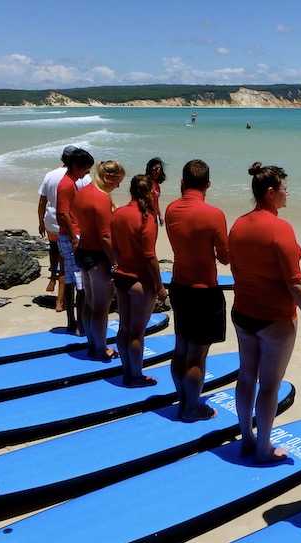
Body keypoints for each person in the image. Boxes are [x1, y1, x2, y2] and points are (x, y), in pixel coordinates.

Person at [229, 163, 301, 462]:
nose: (287, 192)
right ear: (271, 193)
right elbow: (295, 282)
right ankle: (264, 448)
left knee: (245, 378)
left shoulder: (239, 224)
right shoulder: (280, 229)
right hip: (274, 318)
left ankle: (247, 438)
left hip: (243, 313)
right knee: (269, 386)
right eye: (283, 187)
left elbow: (237, 268)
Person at [164, 159, 229, 421]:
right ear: (208, 184)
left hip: (179, 285)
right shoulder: (214, 214)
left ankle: (184, 400)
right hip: (204, 289)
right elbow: (225, 257)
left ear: (182, 183)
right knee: (197, 355)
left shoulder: (170, 210)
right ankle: (191, 407)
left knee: (181, 347)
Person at [111, 174, 168, 386]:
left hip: (121, 277)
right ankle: (135, 376)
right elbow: (149, 256)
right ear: (150, 193)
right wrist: (160, 286)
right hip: (140, 281)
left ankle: (127, 371)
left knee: (124, 328)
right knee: (137, 333)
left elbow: (115, 248)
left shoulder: (119, 213)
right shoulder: (147, 218)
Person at [71, 160, 125, 361]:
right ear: (106, 177)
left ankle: (93, 344)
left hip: (83, 252)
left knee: (90, 303)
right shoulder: (101, 198)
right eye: (116, 181)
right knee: (101, 307)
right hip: (98, 256)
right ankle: (100, 348)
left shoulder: (83, 192)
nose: (118, 186)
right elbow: (105, 236)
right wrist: (115, 263)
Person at [38, 146, 90, 294]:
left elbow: (42, 202)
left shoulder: (50, 175)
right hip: (70, 226)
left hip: (51, 221)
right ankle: (63, 295)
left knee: (54, 250)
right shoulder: (80, 179)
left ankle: (52, 278)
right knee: (70, 264)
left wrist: (41, 222)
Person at [55, 148, 95, 335]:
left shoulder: (70, 182)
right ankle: (79, 324)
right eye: (85, 169)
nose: (86, 172)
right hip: (71, 236)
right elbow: (63, 213)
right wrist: (74, 238)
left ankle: (74, 322)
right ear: (76, 166)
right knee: (80, 283)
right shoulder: (66, 184)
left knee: (72, 281)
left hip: (70, 234)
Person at [145, 157, 166, 226]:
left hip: (154, 216)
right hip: (146, 215)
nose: (158, 171)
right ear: (150, 169)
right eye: (155, 169)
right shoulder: (146, 182)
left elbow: (156, 201)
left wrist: (159, 214)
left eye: (159, 169)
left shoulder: (157, 185)